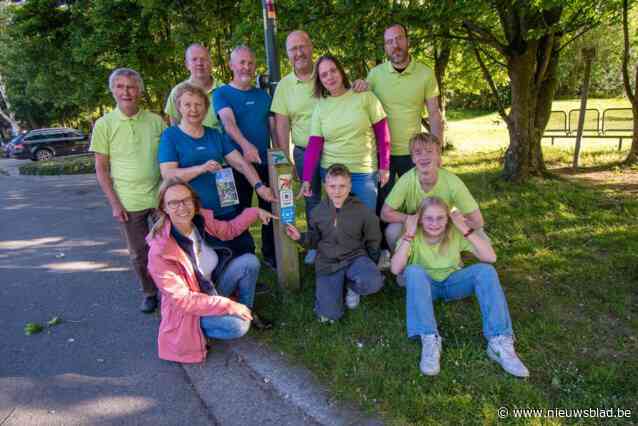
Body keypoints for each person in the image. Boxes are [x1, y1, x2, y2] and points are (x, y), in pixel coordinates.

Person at [390, 196, 529, 378]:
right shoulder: (413, 235)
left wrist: (464, 228)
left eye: (440, 218)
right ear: (421, 220)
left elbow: (490, 257)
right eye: (429, 218)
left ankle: (499, 341)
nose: (434, 223)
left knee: (486, 271)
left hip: (453, 282)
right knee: (414, 271)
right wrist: (408, 234)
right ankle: (429, 339)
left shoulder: (454, 232)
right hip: (426, 287)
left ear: (447, 219)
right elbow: (395, 269)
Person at [147, 179, 277, 363]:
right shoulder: (160, 251)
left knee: (249, 262)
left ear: (194, 201)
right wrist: (229, 305)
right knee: (238, 327)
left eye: (186, 200)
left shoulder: (200, 220)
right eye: (173, 203)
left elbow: (228, 230)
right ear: (164, 208)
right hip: (189, 311)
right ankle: (199, 333)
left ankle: (247, 310)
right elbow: (183, 301)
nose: (182, 207)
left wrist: (254, 212)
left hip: (210, 290)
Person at [353, 23, 443, 268]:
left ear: (407, 40)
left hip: (414, 153)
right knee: (384, 203)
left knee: (420, 201)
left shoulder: (425, 73)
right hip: (383, 154)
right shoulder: (376, 74)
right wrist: (359, 85)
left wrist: (437, 152)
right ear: (385, 47)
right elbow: (361, 104)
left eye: (399, 39)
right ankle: (385, 251)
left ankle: (426, 249)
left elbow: (434, 114)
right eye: (390, 41)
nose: (395, 45)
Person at [159, 82, 275, 266]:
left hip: (226, 204)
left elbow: (241, 164)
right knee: (211, 261)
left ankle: (247, 283)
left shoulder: (215, 135)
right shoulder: (171, 136)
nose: (193, 109)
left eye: (199, 105)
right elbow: (168, 174)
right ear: (179, 107)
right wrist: (200, 168)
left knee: (243, 250)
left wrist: (260, 187)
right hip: (195, 212)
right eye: (187, 104)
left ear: (206, 109)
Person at [91, 68, 166, 313]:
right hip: (128, 202)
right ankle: (149, 292)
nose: (126, 91)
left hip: (158, 197)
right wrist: (115, 203)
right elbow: (101, 169)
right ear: (113, 90)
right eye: (120, 86)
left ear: (140, 90)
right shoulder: (104, 125)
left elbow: (167, 159)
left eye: (131, 86)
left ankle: (169, 291)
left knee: (165, 248)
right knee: (139, 254)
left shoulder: (156, 121)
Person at [285, 164, 384, 322]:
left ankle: (352, 286)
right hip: (328, 262)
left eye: (342, 186)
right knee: (329, 315)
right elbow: (315, 239)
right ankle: (334, 289)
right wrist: (300, 237)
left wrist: (371, 262)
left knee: (373, 281)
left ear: (350, 186)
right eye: (332, 186)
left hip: (354, 257)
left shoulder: (362, 210)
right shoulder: (317, 212)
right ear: (325, 185)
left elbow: (373, 238)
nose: (337, 191)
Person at [381, 132, 484, 272]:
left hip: (443, 223)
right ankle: (404, 264)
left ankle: (453, 256)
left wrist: (453, 223)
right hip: (417, 223)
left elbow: (477, 221)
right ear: (412, 158)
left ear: (438, 156)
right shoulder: (407, 179)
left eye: (429, 151)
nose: (424, 156)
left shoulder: (452, 182)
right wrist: (411, 219)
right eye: (418, 152)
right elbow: (385, 213)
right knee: (392, 231)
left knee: (480, 235)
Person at [300, 55, 391, 213]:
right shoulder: (321, 107)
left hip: (364, 173)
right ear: (320, 81)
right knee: (338, 227)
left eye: (333, 71)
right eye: (324, 75)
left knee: (365, 223)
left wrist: (384, 166)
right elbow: (314, 145)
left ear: (341, 72)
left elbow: (382, 133)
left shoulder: (365, 96)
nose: (330, 77)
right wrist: (306, 178)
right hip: (333, 175)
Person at [213, 45, 277, 269]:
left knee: (270, 207)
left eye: (250, 63)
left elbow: (273, 127)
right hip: (230, 166)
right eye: (241, 62)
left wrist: (279, 153)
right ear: (231, 66)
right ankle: (242, 259)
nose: (246, 67)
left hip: (263, 163)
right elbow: (228, 123)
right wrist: (245, 145)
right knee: (233, 213)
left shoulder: (262, 96)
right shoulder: (221, 93)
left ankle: (271, 255)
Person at [271, 30, 321, 264]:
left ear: (311, 47)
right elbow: (282, 124)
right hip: (303, 152)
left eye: (303, 46)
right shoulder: (284, 86)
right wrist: (285, 160)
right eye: (293, 49)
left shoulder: (326, 73)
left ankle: (341, 244)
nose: (299, 52)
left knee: (338, 197)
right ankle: (314, 245)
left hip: (335, 149)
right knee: (311, 199)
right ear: (288, 55)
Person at [165, 43, 221, 128]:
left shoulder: (225, 90)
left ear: (210, 62)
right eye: (194, 59)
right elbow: (174, 128)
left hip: (220, 140)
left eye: (203, 59)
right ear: (187, 65)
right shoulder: (177, 92)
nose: (199, 63)